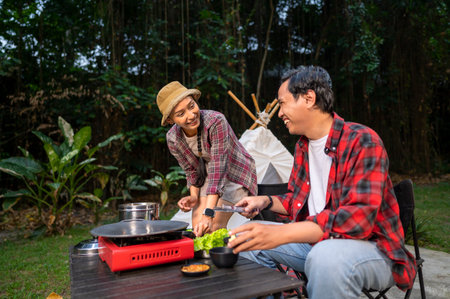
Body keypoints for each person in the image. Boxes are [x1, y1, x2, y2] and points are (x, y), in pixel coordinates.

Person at [228, 66, 416, 298]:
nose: (279, 113)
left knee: (326, 257)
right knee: (244, 239)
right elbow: (295, 202)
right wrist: (264, 201)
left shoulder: (362, 140)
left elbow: (356, 221)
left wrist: (283, 234)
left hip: (374, 250)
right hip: (317, 245)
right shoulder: (303, 147)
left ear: (309, 98)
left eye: (283, 103)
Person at [156, 81, 257, 237]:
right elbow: (191, 170)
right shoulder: (173, 139)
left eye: (191, 106)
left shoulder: (216, 121)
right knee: (198, 226)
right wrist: (194, 196)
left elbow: (219, 167)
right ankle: (203, 260)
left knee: (212, 224)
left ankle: (220, 258)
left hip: (235, 172)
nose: (191, 115)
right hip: (211, 174)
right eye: (181, 114)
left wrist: (209, 212)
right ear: (170, 120)